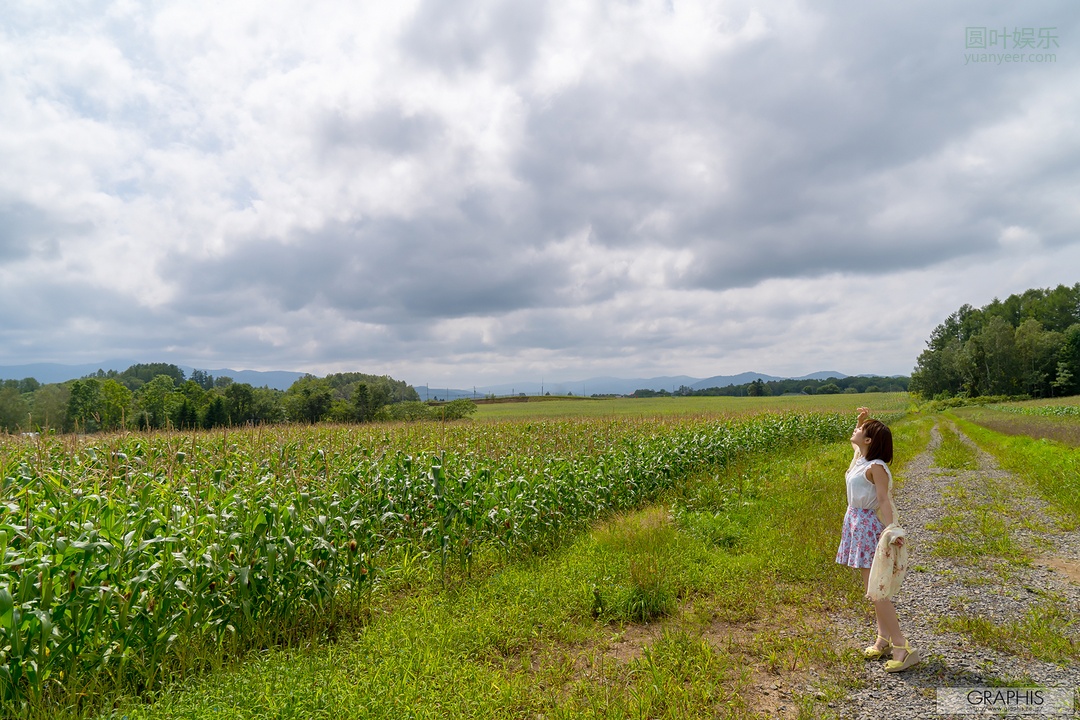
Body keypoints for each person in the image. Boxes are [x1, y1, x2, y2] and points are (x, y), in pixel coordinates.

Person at [835, 407, 920, 672]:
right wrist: (860, 421)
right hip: (854, 524)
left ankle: (901, 646)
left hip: (866, 527)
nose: (856, 431)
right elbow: (855, 447)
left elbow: (884, 500)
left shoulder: (877, 467)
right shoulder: (861, 460)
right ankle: (882, 639)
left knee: (877, 591)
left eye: (861, 430)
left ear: (869, 440)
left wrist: (892, 530)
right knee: (873, 591)